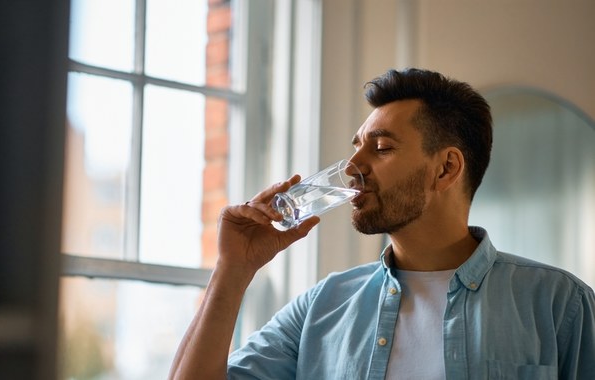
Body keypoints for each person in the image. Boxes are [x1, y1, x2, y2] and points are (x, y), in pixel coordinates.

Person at [169, 68, 595, 379]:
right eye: (356, 148)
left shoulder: (561, 305)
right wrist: (233, 269)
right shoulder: (321, 307)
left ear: (445, 169)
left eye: (382, 147)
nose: (352, 166)